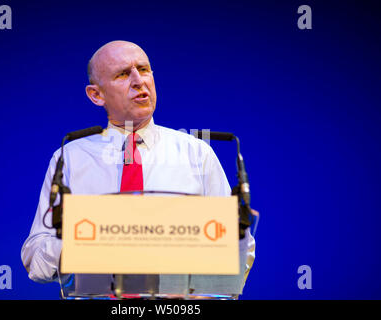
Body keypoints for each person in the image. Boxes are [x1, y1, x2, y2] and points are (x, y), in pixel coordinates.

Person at [21, 40, 256, 297]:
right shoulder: (70, 158)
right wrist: (83, 243)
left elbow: (238, 244)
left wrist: (203, 293)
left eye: (144, 70)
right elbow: (35, 255)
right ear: (96, 94)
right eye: (123, 74)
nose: (138, 80)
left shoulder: (196, 154)